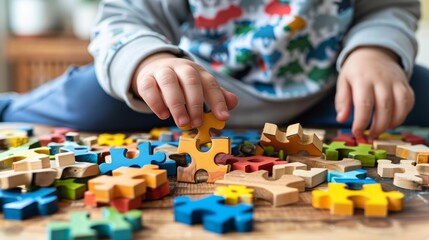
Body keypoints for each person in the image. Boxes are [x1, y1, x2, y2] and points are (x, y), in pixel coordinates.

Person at [0, 0, 426, 138]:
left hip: (332, 87)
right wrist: (148, 60)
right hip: (188, 92)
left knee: (408, 92)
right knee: (90, 99)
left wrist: (376, 51)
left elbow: (389, 7)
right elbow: (123, 20)